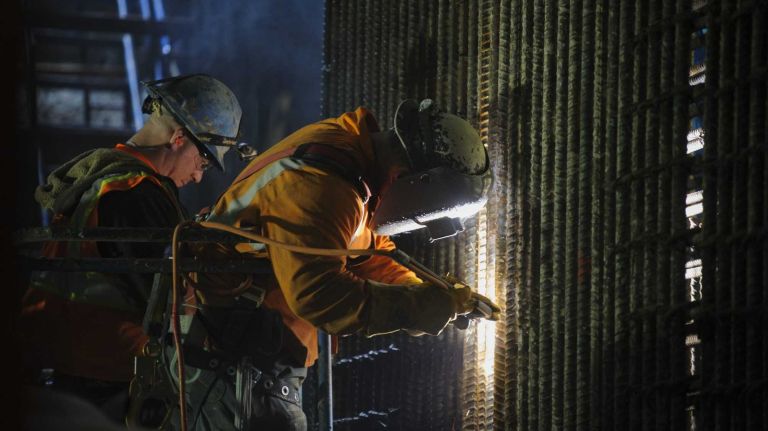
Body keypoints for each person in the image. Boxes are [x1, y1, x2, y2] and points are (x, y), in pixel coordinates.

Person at [179, 99, 501, 430]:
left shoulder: (348, 164)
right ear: (410, 179)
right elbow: (319, 295)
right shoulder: (322, 186)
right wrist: (422, 307)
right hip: (236, 351)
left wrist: (430, 293)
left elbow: (366, 251)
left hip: (254, 349)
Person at [17, 74, 243, 424]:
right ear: (179, 138)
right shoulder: (136, 191)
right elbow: (171, 296)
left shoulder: (107, 178)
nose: (198, 177)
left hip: (65, 364)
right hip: (103, 371)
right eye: (202, 163)